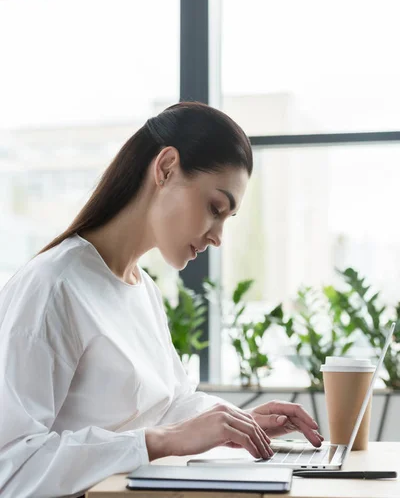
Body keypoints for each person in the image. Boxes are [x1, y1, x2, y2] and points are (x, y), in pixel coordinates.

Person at [0, 102, 323, 497]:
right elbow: (11, 467)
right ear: (166, 168)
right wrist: (158, 441)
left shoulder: (142, 289)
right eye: (215, 208)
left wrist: (237, 422)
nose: (218, 237)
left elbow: (167, 407)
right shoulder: (53, 287)